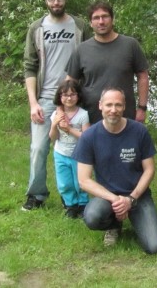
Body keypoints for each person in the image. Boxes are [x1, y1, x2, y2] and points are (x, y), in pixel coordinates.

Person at [73, 88, 157, 254]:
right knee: (93, 216)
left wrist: (130, 199)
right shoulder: (89, 136)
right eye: (109, 105)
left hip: (137, 196)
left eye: (118, 105)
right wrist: (116, 201)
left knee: (156, 247)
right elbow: (83, 180)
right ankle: (114, 224)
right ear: (100, 105)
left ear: (124, 107)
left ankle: (136, 218)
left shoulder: (139, 131)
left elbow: (149, 170)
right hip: (107, 198)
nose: (113, 110)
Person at [21, 0, 89, 211]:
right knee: (39, 147)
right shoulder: (36, 28)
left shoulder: (79, 26)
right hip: (46, 98)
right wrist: (33, 103)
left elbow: (88, 60)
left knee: (79, 146)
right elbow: (29, 67)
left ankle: (78, 196)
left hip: (74, 99)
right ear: (45, 1)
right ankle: (36, 194)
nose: (56, 2)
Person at [66, 0, 149, 124]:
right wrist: (66, 109)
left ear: (112, 19)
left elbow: (143, 77)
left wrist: (142, 108)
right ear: (90, 23)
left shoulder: (130, 45)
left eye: (105, 16)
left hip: (125, 116)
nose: (101, 21)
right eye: (96, 18)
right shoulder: (81, 50)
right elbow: (70, 82)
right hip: (90, 118)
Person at [49, 79, 90, 218]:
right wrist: (54, 125)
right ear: (60, 97)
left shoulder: (82, 114)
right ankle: (70, 205)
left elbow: (86, 137)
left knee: (79, 182)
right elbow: (53, 137)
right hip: (60, 153)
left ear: (78, 96)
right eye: (65, 95)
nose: (69, 98)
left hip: (78, 155)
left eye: (72, 94)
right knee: (65, 183)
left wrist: (70, 129)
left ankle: (83, 204)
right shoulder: (56, 115)